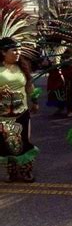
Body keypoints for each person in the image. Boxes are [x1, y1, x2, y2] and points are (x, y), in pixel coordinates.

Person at [0, 37, 39, 182]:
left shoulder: (22, 66)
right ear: (4, 52)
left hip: (21, 113)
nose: (18, 53)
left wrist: (34, 100)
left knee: (24, 142)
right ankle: (13, 173)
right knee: (7, 144)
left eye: (19, 49)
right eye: (14, 50)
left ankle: (26, 172)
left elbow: (29, 85)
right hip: (3, 116)